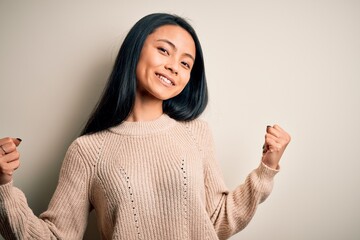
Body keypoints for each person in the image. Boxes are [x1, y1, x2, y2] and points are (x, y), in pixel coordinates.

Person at [0, 13, 291, 240]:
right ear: (135, 49)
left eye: (186, 64)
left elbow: (218, 221)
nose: (174, 66)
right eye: (165, 51)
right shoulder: (87, 151)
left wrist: (266, 168)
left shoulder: (196, 134)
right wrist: (3, 186)